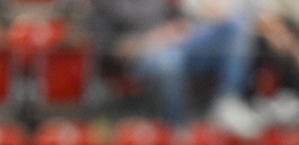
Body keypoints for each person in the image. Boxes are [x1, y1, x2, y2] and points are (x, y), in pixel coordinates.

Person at [86, 0, 262, 137]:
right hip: (142, 55)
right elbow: (111, 52)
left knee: (234, 23)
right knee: (168, 61)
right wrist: (154, 39)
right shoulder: (105, 4)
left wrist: (184, 29)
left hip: (178, 45)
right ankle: (179, 126)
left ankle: (228, 101)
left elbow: (180, 22)